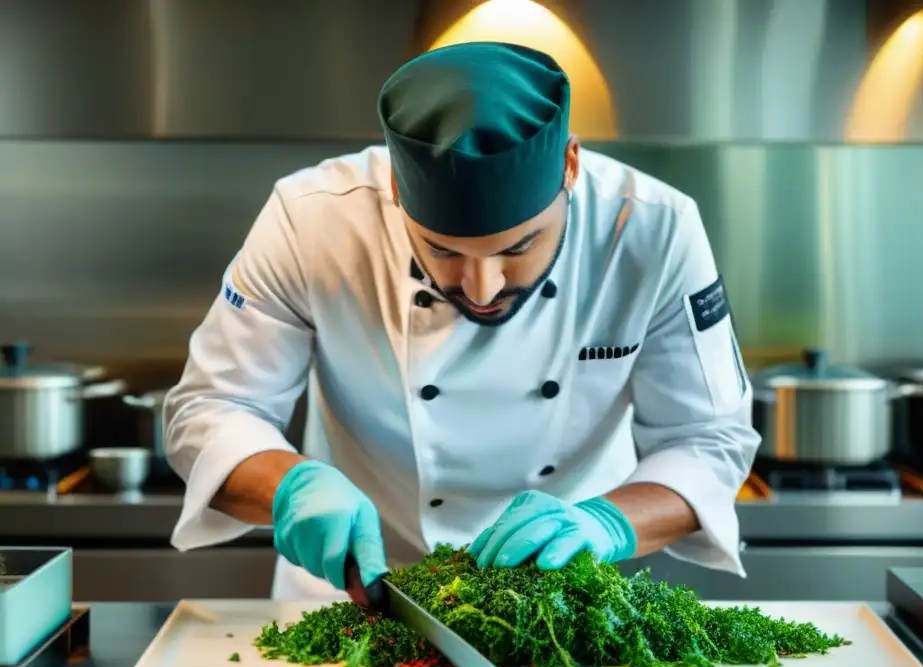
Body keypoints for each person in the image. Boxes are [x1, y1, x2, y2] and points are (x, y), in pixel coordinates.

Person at [163, 41, 760, 600]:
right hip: (351, 599)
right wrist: (291, 489)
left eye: (518, 247)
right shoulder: (311, 220)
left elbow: (708, 439)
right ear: (398, 189)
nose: (483, 288)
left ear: (571, 166)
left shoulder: (653, 229)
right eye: (444, 251)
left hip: (562, 600)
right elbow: (213, 410)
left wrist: (606, 524)